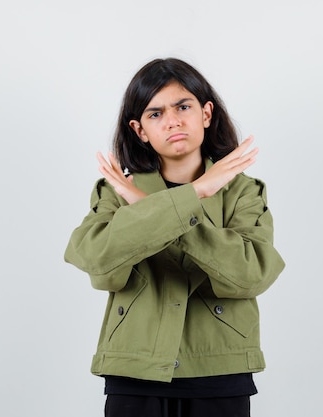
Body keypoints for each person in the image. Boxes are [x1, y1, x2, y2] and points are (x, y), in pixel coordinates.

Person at [64, 57, 285, 417]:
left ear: (206, 113)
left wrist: (145, 207)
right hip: (135, 366)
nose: (172, 120)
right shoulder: (116, 189)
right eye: (155, 114)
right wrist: (194, 194)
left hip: (220, 366)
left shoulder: (243, 191)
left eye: (183, 106)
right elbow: (97, 261)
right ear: (139, 130)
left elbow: (250, 275)